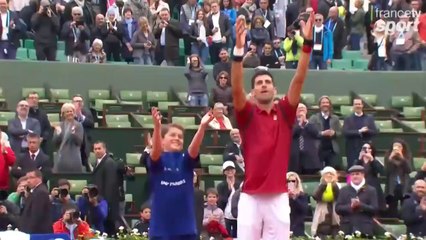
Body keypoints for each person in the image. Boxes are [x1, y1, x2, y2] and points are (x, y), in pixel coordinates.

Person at [231, 12, 314, 239]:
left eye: (268, 82)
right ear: (254, 91)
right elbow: (236, 87)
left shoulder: (286, 112)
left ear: (275, 90)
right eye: (259, 83)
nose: (264, 85)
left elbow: (299, 77)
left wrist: (307, 43)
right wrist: (239, 50)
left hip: (278, 198)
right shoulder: (246, 114)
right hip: (250, 198)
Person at [148, 107, 213, 240]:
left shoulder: (185, 160)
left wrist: (202, 127)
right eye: (172, 135)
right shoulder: (157, 160)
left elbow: (193, 149)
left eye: (180, 137)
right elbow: (155, 152)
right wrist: (157, 127)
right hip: (161, 229)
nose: (177, 138)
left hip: (185, 228)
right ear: (162, 139)